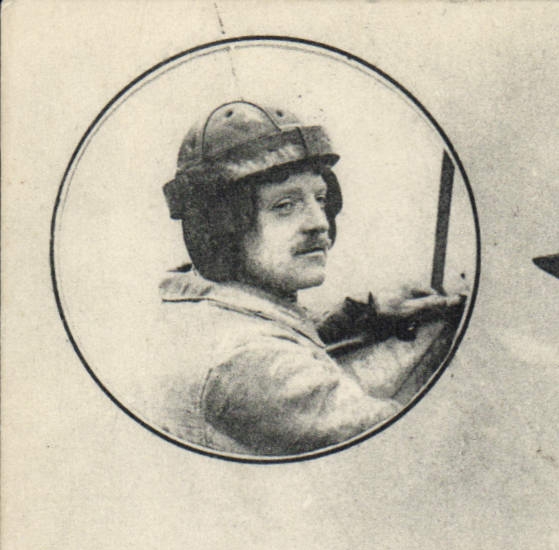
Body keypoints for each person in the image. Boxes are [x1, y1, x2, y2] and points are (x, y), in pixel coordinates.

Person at [148, 100, 463, 456]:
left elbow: (272, 323)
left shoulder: (201, 301)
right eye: (285, 206)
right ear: (221, 227)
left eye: (321, 198)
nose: (319, 222)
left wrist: (364, 313)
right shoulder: (247, 361)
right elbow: (404, 443)